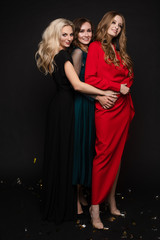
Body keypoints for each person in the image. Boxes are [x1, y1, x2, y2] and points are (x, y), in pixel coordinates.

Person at [35, 18, 117, 224]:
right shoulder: (66, 54)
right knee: (69, 152)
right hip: (66, 107)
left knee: (64, 154)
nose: (70, 38)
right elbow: (78, 86)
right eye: (66, 34)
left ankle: (68, 200)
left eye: (71, 34)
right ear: (56, 35)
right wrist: (102, 93)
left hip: (61, 106)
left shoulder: (59, 53)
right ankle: (71, 203)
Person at [85, 11, 135, 229]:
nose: (116, 27)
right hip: (107, 108)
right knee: (103, 155)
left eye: (120, 25)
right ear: (105, 23)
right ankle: (94, 207)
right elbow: (91, 78)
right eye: (113, 22)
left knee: (117, 157)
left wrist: (123, 85)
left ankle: (111, 201)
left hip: (123, 108)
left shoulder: (119, 50)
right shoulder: (96, 47)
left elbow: (130, 75)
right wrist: (116, 86)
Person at [71, 17, 118, 216]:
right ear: (75, 34)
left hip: (94, 106)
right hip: (82, 104)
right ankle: (76, 199)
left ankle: (85, 194)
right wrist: (98, 96)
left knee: (90, 149)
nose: (86, 35)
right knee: (79, 149)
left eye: (89, 30)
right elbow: (75, 86)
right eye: (81, 31)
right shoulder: (77, 52)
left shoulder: (95, 50)